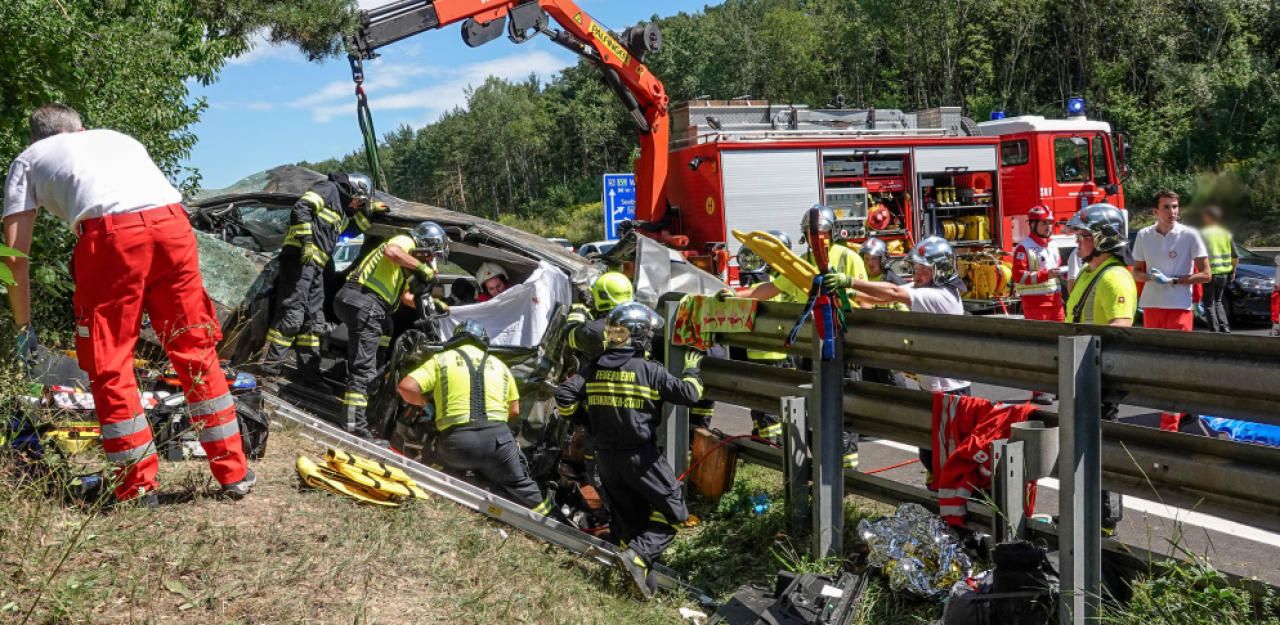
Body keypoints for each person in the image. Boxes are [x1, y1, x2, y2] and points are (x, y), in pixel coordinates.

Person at [2, 104, 253, 504]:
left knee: (110, 360)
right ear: (81, 128)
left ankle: (137, 488)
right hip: (174, 226)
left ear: (36, 139)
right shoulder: (118, 139)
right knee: (194, 349)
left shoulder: (29, 159)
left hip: (112, 239)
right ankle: (234, 473)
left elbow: (14, 255)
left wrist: (23, 325)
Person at [555, 302, 705, 599]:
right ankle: (638, 557)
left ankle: (634, 586)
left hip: (605, 460)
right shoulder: (650, 371)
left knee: (629, 523)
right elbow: (691, 393)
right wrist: (692, 368)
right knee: (674, 510)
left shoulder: (593, 368)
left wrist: (585, 420)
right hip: (641, 457)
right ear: (640, 337)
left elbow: (564, 395)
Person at [830, 236, 972, 480]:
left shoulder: (942, 296)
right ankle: (938, 502)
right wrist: (848, 293)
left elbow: (894, 291)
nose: (916, 274)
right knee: (929, 454)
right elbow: (880, 297)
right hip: (931, 387)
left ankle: (954, 507)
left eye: (923, 269)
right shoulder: (924, 289)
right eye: (915, 268)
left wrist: (849, 280)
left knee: (946, 458)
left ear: (940, 270)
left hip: (951, 392)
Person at [743, 205, 866, 469]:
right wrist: (731, 296)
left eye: (820, 232)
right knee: (812, 408)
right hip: (810, 347)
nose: (816, 238)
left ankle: (847, 475)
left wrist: (848, 293)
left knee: (842, 407)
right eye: (811, 233)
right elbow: (771, 288)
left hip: (843, 344)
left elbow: (866, 298)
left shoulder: (847, 257)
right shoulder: (804, 262)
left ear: (831, 233)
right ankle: (822, 467)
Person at [397, 320, 551, 512]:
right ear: (483, 341)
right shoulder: (500, 365)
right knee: (525, 489)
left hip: (457, 444)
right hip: (498, 443)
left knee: (433, 468)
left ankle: (427, 503)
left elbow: (406, 387)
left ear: (455, 339)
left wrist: (427, 405)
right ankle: (556, 527)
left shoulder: (442, 359)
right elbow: (515, 411)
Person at [335, 221, 448, 438]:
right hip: (364, 300)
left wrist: (433, 305)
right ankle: (352, 425)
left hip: (370, 307)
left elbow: (407, 298)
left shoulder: (406, 265)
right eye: (432, 255)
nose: (431, 261)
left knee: (376, 361)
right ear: (427, 244)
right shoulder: (405, 241)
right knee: (364, 367)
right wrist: (421, 267)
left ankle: (361, 415)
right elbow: (391, 251)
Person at [1062, 203, 1135, 534]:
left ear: (1103, 239)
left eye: (1083, 236)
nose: (1078, 241)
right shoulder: (1090, 273)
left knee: (1100, 450)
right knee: (1079, 451)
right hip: (1079, 374)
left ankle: (1105, 523)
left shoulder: (1115, 277)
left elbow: (1120, 329)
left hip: (1098, 380)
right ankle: (1083, 513)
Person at [261, 172, 377, 376]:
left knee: (314, 319)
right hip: (300, 259)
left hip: (316, 266)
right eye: (359, 200)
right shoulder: (329, 189)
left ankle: (309, 373)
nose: (357, 205)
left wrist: (368, 213)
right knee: (293, 315)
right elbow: (301, 208)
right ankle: (269, 365)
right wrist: (305, 241)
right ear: (353, 190)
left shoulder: (339, 208)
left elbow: (347, 233)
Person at [1132, 191, 1210, 431]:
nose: (1172, 212)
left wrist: (1175, 280)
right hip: (1153, 306)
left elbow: (1207, 275)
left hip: (1179, 307)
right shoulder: (1144, 235)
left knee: (1176, 364)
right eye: (1166, 207)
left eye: (1175, 207)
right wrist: (1152, 278)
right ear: (1155, 212)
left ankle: (1169, 424)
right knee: (1157, 365)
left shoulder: (1189, 235)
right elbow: (1135, 271)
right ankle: (1185, 408)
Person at [1011, 205, 1066, 404]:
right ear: (1033, 224)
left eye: (1050, 223)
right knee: (1040, 349)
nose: (1049, 227)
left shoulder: (1052, 245)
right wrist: (1046, 274)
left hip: (1056, 304)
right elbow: (1020, 277)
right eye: (1044, 223)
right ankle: (1038, 391)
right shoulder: (1023, 248)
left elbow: (1056, 272)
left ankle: (1061, 385)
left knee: (1061, 347)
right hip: (1036, 306)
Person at [1199, 205, 1238, 333]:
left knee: (1208, 304)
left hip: (1209, 274)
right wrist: (1233, 271)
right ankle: (1225, 326)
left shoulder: (1203, 234)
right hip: (1224, 274)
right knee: (1218, 301)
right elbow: (1235, 256)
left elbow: (1199, 254)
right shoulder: (1226, 233)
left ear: (1208, 217)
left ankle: (1214, 330)